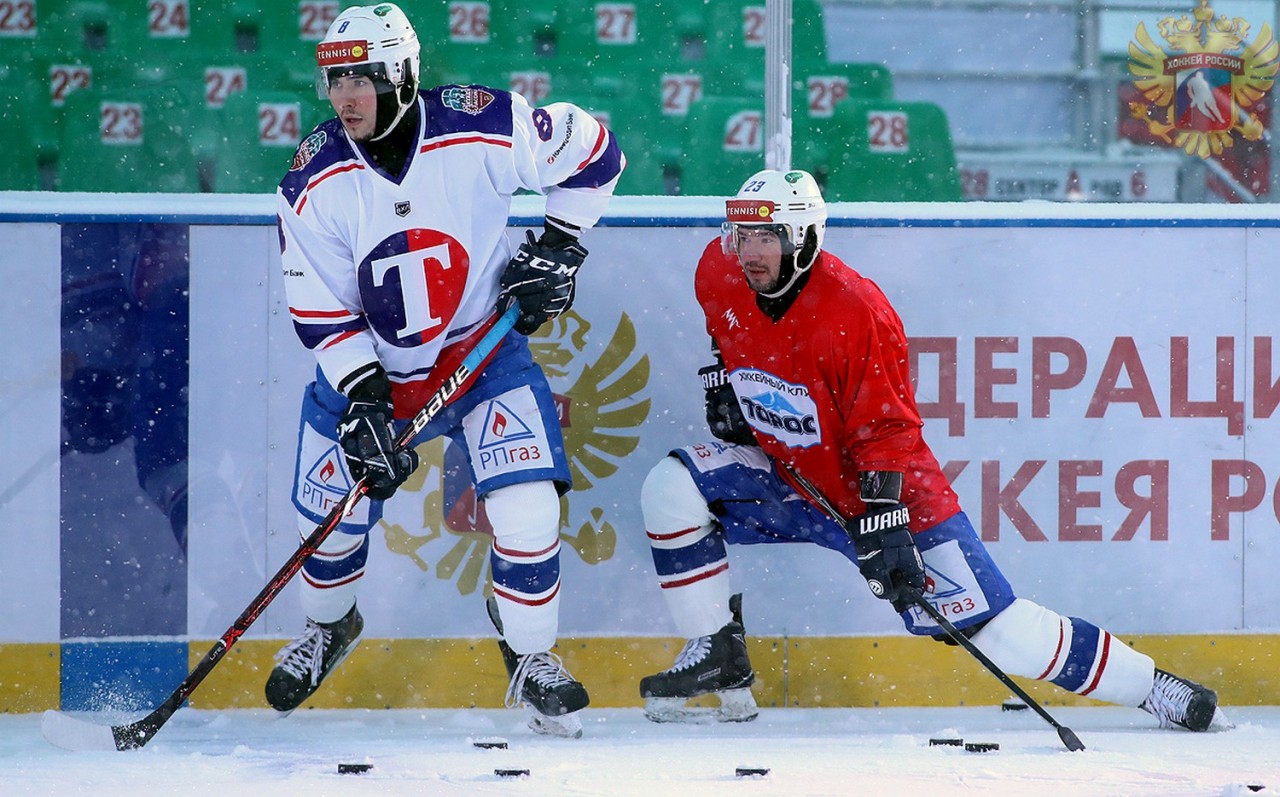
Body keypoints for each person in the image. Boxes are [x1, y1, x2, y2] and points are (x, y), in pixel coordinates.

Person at [635, 168, 1229, 733]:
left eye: (769, 235)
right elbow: (726, 329)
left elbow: (886, 430)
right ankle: (717, 651)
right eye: (742, 234)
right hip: (789, 477)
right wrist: (724, 382)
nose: (751, 251)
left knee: (996, 631)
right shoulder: (719, 270)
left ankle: (1153, 688)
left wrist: (886, 523)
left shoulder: (856, 310)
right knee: (671, 490)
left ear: (807, 237)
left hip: (881, 493)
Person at [271, 3, 623, 738]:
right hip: (375, 372)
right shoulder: (313, 180)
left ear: (403, 74)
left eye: (361, 78)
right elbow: (324, 315)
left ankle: (530, 654)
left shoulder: (482, 125)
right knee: (327, 524)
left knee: (529, 508)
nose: (344, 98)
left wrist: (559, 245)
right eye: (333, 82)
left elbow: (595, 151)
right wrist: (366, 401)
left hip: (482, 351)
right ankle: (330, 626)